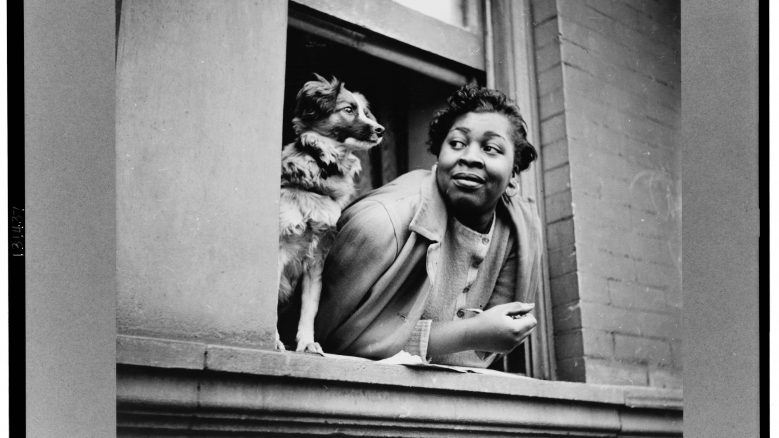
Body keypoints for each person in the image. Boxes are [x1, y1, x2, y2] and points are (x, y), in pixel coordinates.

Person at [314, 84, 543, 367]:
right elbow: (329, 340)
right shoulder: (380, 222)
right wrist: (470, 333)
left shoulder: (519, 232)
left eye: (491, 148)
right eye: (456, 144)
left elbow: (481, 353)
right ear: (438, 158)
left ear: (513, 176)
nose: (469, 157)